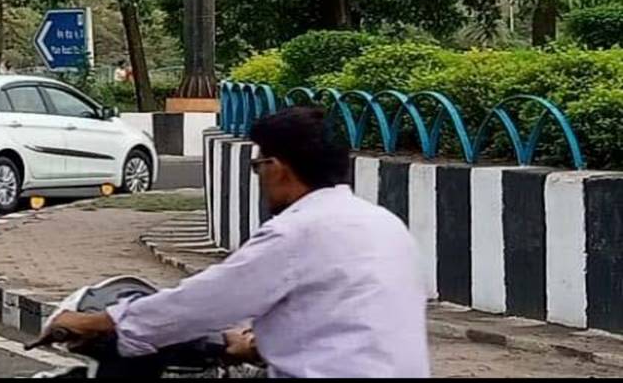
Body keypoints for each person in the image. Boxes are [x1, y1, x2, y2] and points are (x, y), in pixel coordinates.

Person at [46, 107, 429, 378]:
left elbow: (199, 304)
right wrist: (256, 346)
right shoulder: (384, 225)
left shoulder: (296, 233)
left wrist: (94, 322)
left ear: (277, 167)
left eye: (258, 165)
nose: (259, 176)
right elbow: (339, 323)